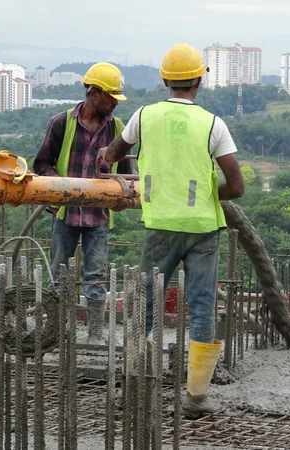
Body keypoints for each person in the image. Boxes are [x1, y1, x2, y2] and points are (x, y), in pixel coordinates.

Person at [100, 43, 244, 418]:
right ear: (199, 81)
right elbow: (237, 186)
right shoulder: (214, 124)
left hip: (161, 224)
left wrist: (104, 157)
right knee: (200, 307)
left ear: (165, 79)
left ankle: (134, 386)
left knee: (145, 305)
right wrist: (212, 196)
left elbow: (113, 155)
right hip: (202, 228)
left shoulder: (144, 116)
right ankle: (195, 397)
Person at [33, 62, 133, 345]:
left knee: (95, 276)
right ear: (94, 93)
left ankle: (94, 336)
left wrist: (123, 195)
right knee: (58, 272)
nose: (115, 103)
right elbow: (42, 165)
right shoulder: (61, 123)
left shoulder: (118, 129)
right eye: (111, 96)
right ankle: (55, 331)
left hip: (98, 216)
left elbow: (126, 174)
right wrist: (65, 189)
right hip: (65, 213)